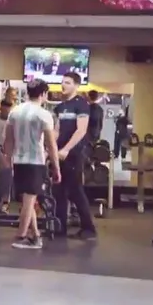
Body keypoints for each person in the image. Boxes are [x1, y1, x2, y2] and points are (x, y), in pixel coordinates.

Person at [3, 80, 61, 247]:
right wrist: (56, 168)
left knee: (27, 200)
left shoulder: (15, 112)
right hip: (35, 163)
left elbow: (8, 140)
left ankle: (35, 236)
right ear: (43, 94)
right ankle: (21, 236)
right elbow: (51, 145)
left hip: (19, 161)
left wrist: (7, 158)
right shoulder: (44, 114)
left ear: (28, 92)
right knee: (29, 201)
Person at [54, 73, 97, 240]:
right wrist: (50, 150)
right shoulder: (60, 107)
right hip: (60, 154)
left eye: (68, 82)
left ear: (76, 86)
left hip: (74, 154)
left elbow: (81, 130)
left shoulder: (81, 104)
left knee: (75, 191)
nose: (63, 85)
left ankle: (89, 228)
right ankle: (60, 227)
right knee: (58, 191)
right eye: (63, 82)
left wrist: (66, 149)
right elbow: (56, 131)